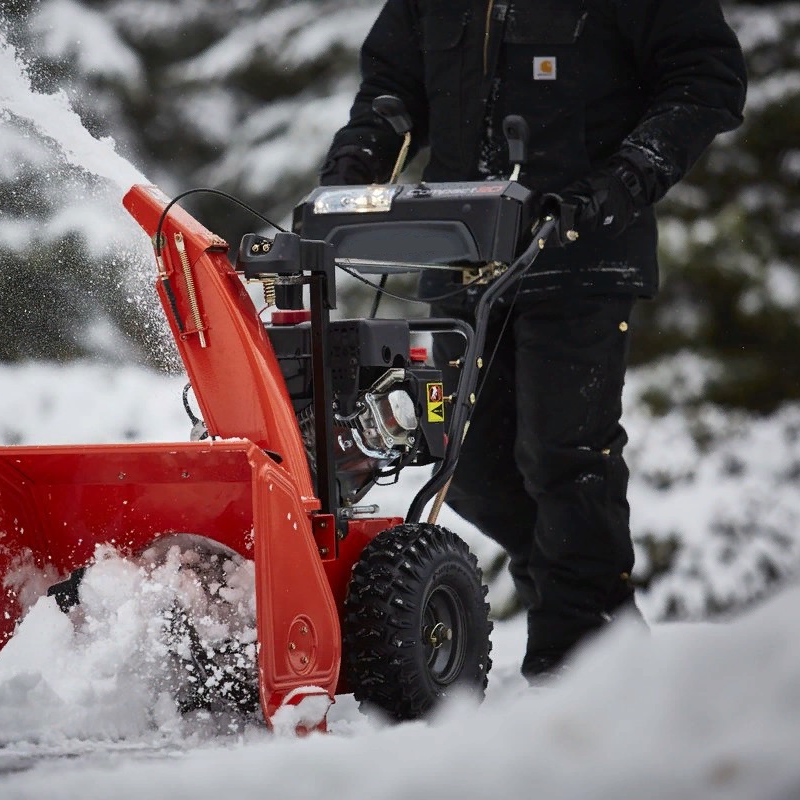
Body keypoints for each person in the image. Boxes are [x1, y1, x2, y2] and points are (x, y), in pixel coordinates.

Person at [320, 0, 747, 681]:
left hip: (583, 247)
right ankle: (587, 603)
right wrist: (355, 162)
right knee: (465, 464)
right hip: (460, 250)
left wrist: (625, 179)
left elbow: (706, 78)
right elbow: (393, 86)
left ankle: (578, 661)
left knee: (564, 457)